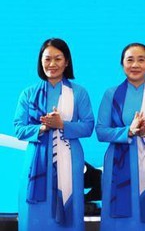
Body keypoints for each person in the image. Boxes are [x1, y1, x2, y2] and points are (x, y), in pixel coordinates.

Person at [13, 38, 95, 231]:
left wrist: (62, 125)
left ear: (67, 62)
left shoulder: (79, 93)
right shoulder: (28, 94)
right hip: (36, 163)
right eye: (47, 58)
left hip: (70, 161)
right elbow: (18, 128)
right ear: (40, 61)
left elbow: (88, 126)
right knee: (35, 215)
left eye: (58, 58)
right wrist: (42, 128)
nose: (52, 64)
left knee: (69, 211)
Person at [96, 43, 145, 230]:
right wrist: (129, 131)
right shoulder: (111, 94)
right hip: (118, 161)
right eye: (130, 60)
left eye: (141, 60)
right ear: (122, 64)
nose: (135, 65)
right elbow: (101, 131)